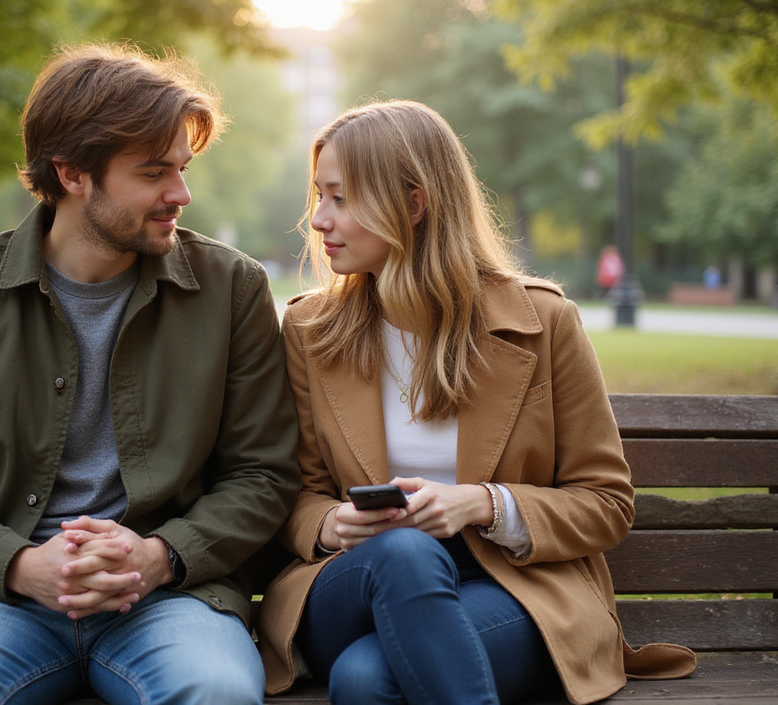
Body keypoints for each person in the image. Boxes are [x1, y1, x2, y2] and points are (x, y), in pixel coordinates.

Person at [0, 42, 301, 705]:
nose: (180, 195)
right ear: (73, 174)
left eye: (183, 170)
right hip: (0, 598)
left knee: (215, 693)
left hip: (170, 597)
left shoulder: (232, 289)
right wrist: (20, 565)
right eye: (155, 172)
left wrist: (158, 556)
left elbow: (264, 474)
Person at [256, 100, 695, 705]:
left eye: (342, 198)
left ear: (413, 204)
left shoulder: (541, 322)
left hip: (511, 582)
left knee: (364, 681)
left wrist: (483, 505)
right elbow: (291, 491)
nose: (320, 221)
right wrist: (333, 524)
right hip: (355, 579)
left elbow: (605, 503)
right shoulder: (311, 330)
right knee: (404, 553)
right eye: (319, 197)